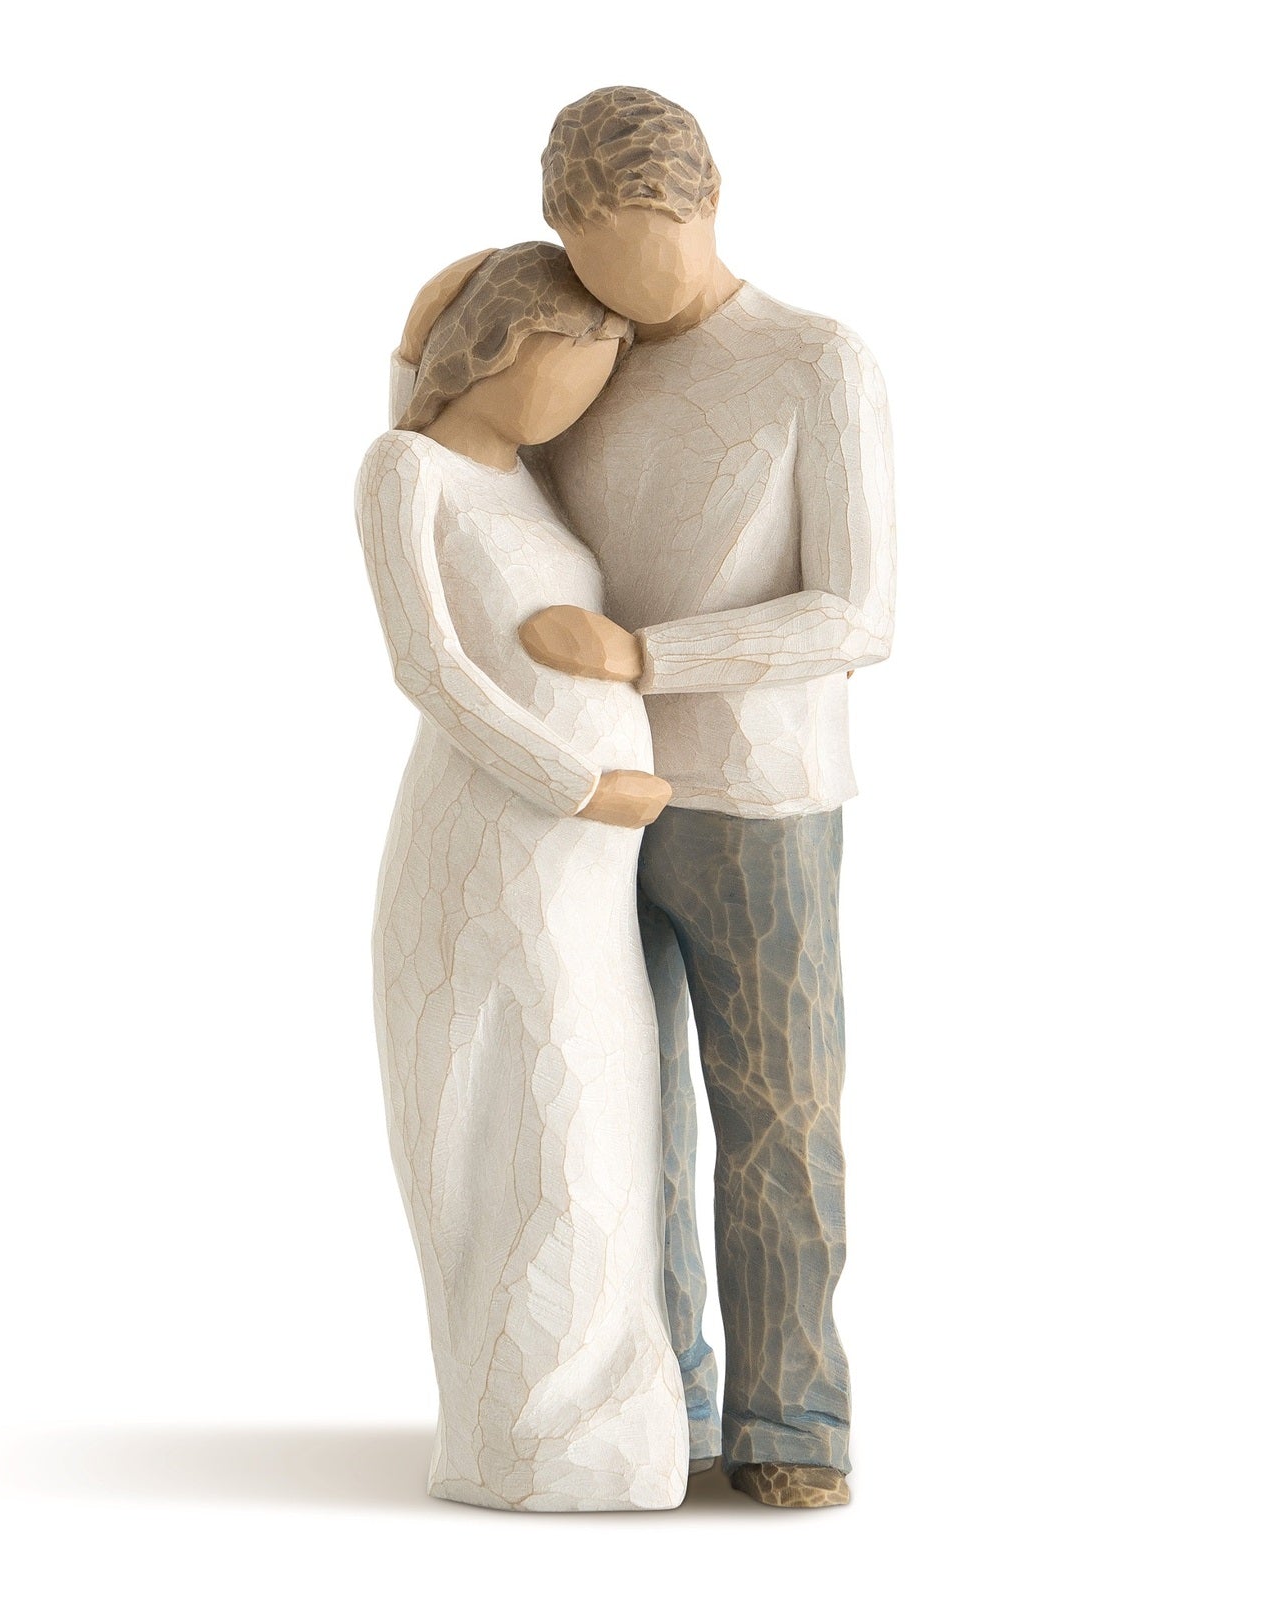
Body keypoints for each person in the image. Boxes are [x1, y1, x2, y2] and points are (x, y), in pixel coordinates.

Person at [389, 86, 896, 1509]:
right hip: (582, 819)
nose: (622, 289)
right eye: (591, 254)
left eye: (646, 246)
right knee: (622, 1115)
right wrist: (417, 350)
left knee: (778, 1109)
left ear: (709, 200)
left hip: (760, 797)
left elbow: (858, 612)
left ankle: (793, 1420)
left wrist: (646, 656)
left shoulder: (816, 360)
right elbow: (465, 485)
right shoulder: (590, 354)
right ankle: (663, 1393)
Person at [355, 241, 688, 1512]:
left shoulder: (531, 481)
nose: (593, 391)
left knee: (602, 1117)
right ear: (502, 346)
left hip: (584, 875)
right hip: (496, 845)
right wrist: (579, 784)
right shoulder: (405, 470)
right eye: (580, 360)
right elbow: (429, 666)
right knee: (526, 1121)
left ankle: (613, 1414)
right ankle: (519, 1434)